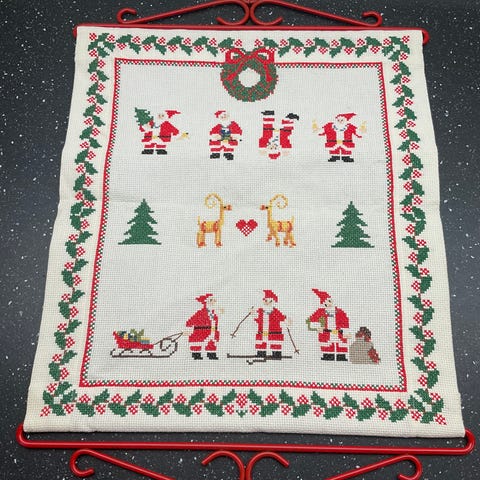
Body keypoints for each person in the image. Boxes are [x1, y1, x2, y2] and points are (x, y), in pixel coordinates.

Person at [307, 289, 350, 361]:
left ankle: (341, 357)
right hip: (326, 334)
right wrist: (318, 327)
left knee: (340, 347)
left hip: (339, 333)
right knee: (327, 348)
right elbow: (309, 321)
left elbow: (345, 322)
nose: (329, 304)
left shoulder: (340, 312)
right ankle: (327, 357)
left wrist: (346, 332)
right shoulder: (320, 312)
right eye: (326, 303)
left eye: (330, 301)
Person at [250, 289, 291, 359]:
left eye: (270, 301)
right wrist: (253, 313)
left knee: (275, 343)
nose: (268, 303)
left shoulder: (276, 312)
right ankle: (261, 354)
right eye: (266, 301)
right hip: (263, 331)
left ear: (273, 302)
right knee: (262, 343)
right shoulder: (260, 311)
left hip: (274, 332)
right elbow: (256, 318)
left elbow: (282, 317)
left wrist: (286, 321)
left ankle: (276, 354)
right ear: (263, 301)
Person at [185, 293, 222, 360]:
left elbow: (215, 321)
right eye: (211, 300)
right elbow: (189, 322)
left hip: (212, 331)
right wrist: (188, 329)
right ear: (206, 302)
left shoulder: (213, 313)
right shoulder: (200, 312)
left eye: (214, 300)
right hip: (201, 332)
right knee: (198, 343)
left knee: (211, 342)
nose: (214, 302)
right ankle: (196, 355)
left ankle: (211, 355)